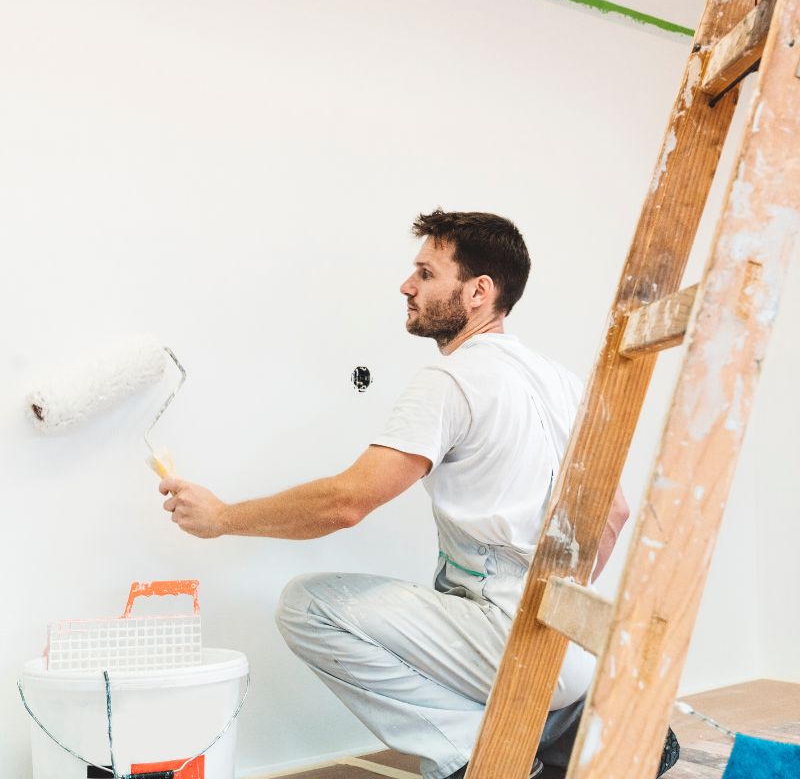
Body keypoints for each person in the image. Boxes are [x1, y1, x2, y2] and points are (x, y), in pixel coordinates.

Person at [158, 209, 670, 779]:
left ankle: (479, 758)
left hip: (506, 641)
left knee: (309, 606)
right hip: (569, 648)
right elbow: (615, 512)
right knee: (445, 615)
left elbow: (346, 502)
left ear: (478, 291)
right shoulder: (560, 380)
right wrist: (556, 609)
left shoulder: (452, 380)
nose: (407, 285)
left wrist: (223, 517)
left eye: (426, 273)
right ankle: (567, 724)